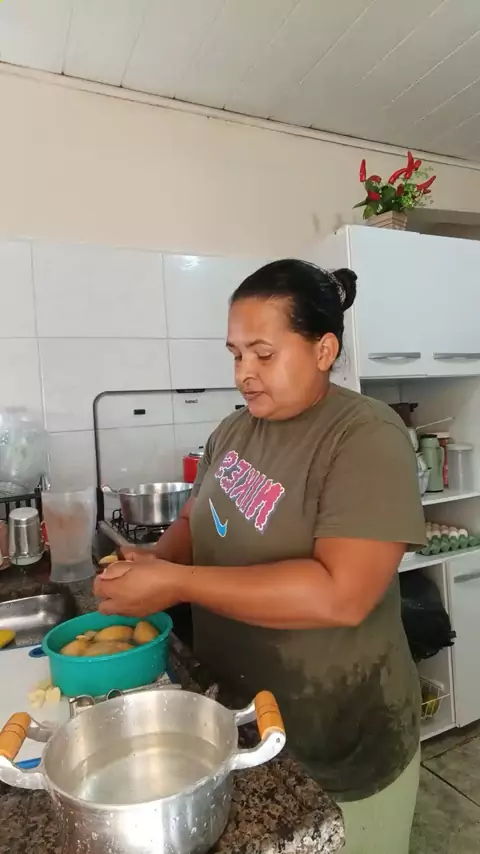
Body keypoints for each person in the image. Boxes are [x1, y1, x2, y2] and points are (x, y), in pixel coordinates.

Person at [94, 259, 425, 854]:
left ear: (324, 350)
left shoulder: (365, 437)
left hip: (337, 741)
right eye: (236, 354)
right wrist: (149, 565)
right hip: (239, 723)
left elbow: (342, 594)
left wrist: (179, 584)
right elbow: (195, 521)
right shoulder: (234, 431)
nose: (244, 372)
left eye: (263, 354)